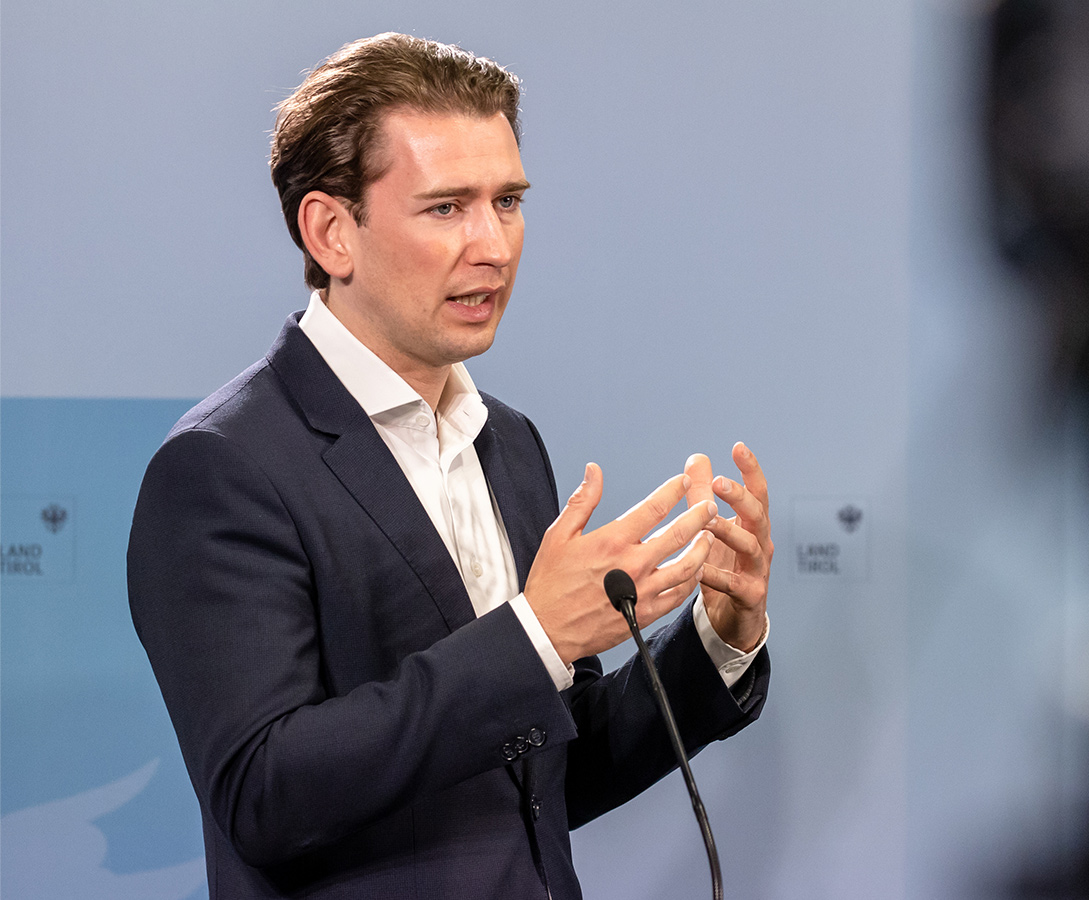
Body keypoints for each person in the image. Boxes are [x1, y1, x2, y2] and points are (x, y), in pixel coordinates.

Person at [127, 32, 773, 900]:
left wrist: (715, 640)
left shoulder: (509, 442)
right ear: (330, 232)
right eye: (446, 208)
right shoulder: (222, 468)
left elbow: (545, 773)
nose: (493, 245)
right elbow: (264, 792)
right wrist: (538, 636)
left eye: (507, 201)